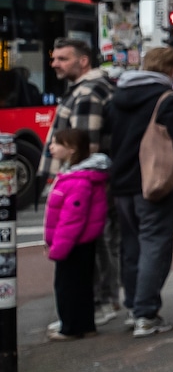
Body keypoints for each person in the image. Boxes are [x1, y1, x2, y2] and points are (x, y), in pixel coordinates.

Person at [104, 46, 173, 338]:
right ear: (171, 70)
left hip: (121, 184)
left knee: (131, 247)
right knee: (155, 245)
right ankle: (146, 313)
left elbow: (107, 138)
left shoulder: (117, 98)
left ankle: (134, 307)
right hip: (154, 184)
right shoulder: (167, 99)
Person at [41, 37, 124, 326]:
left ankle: (102, 303)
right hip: (86, 182)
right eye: (54, 58)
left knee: (95, 243)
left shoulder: (88, 92)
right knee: (99, 241)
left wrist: (67, 178)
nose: (55, 64)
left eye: (62, 58)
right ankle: (99, 302)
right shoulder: (85, 89)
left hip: (84, 184)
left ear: (83, 60)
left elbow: (82, 146)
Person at [42, 128, 111, 340]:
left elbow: (72, 220)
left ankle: (71, 327)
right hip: (79, 241)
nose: (51, 147)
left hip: (73, 243)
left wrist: (57, 249)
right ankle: (84, 324)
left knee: (68, 286)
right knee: (81, 284)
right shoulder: (76, 176)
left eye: (56, 143)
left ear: (71, 149)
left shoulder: (78, 180)